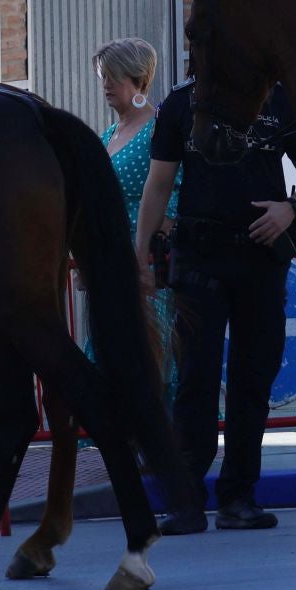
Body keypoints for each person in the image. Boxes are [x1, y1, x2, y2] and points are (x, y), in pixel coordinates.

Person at [136, 78, 296, 534]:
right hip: (199, 255)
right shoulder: (180, 104)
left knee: (252, 379)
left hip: (261, 258)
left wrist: (291, 209)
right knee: (195, 377)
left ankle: (239, 497)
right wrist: (138, 255)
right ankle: (186, 501)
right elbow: (158, 184)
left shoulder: (277, 98)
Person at [89, 38, 179, 384]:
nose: (106, 85)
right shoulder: (109, 134)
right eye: (103, 76)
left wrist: (147, 259)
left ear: (140, 80)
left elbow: (173, 197)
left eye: (114, 76)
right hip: (112, 266)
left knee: (147, 363)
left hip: (149, 270)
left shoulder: (159, 127)